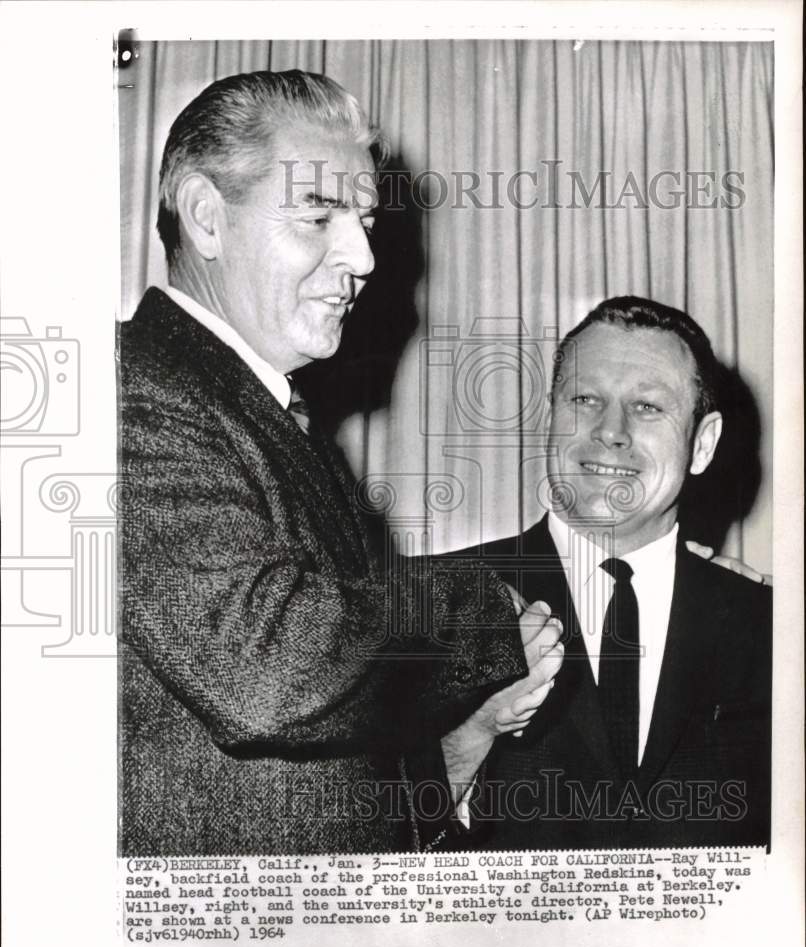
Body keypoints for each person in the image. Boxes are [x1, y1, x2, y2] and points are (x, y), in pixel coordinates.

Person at [118, 69, 562, 857]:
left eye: (361, 220)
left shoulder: (271, 415)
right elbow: (267, 673)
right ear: (206, 217)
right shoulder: (134, 389)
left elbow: (334, 741)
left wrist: (463, 739)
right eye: (318, 215)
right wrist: (488, 614)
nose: (362, 257)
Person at [440, 296, 772, 849]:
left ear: (703, 443)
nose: (610, 431)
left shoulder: (772, 628)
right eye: (585, 399)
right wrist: (472, 733)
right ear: (550, 420)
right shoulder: (429, 599)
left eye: (647, 407)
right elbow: (358, 840)